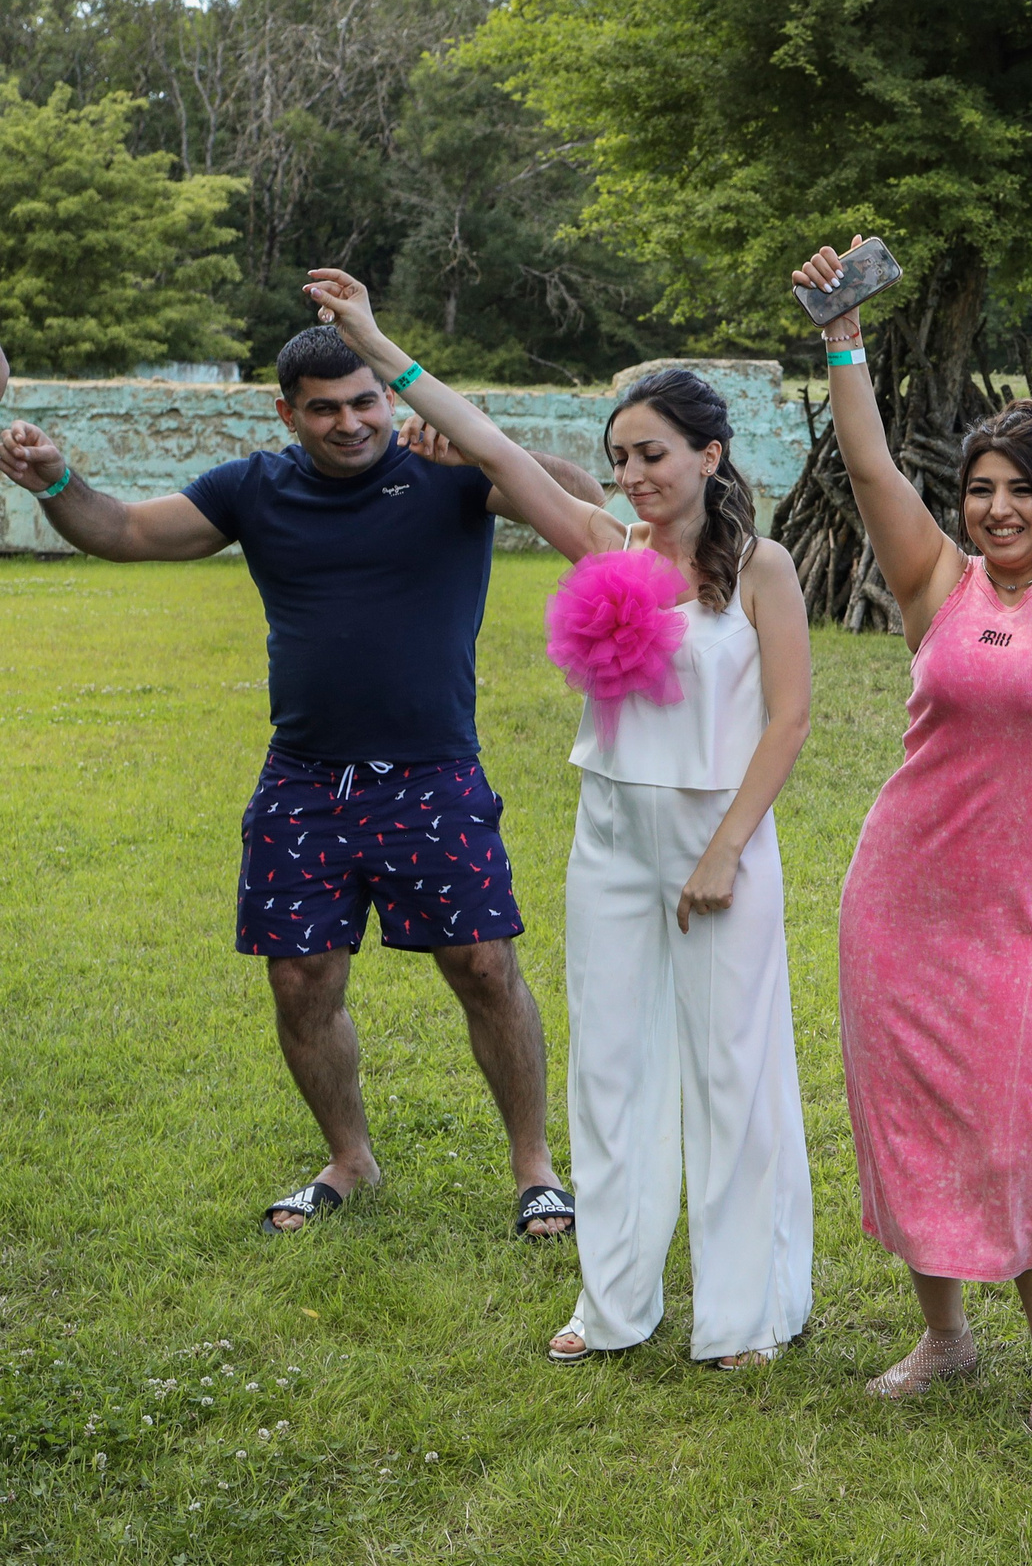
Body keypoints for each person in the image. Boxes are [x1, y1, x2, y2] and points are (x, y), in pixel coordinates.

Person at [305, 269, 817, 1369]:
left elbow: (789, 721)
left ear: (710, 458)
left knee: (731, 1071)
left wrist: (726, 851)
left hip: (717, 841)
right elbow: (486, 444)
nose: (634, 475)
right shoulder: (606, 546)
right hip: (611, 839)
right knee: (613, 1069)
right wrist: (380, 343)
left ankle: (745, 1313)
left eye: (654, 455)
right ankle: (614, 1302)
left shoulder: (761, 570)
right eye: (621, 456)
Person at [1, 315, 605, 1239]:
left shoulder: (448, 474)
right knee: (301, 979)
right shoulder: (254, 488)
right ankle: (350, 1158)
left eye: (365, 401)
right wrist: (58, 481)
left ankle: (535, 1168)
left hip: (433, 771)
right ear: (289, 413)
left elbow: (581, 502)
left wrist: (479, 441)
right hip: (306, 780)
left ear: (387, 398)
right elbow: (124, 530)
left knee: (484, 965)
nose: (350, 423)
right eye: (323, 409)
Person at [811, 241, 1032, 1431]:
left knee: (1007, 1126)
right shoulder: (938, 587)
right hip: (901, 896)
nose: (996, 510)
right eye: (980, 490)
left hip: (1024, 914)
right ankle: (944, 1335)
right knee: (901, 1116)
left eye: (1020, 491)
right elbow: (864, 467)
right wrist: (843, 336)